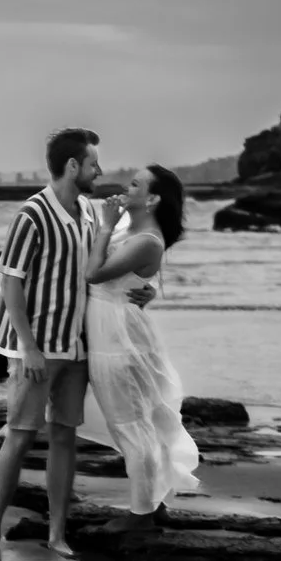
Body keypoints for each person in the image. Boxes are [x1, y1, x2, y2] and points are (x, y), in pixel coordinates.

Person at [0, 128, 105, 554]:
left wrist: (139, 289)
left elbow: (99, 270)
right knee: (18, 437)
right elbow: (10, 284)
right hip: (35, 350)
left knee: (65, 437)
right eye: (93, 163)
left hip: (76, 346)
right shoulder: (31, 215)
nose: (99, 170)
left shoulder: (89, 211)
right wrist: (29, 347)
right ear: (73, 166)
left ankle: (57, 535)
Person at [83, 165, 201, 525]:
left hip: (119, 336)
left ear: (151, 199)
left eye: (135, 184)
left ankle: (141, 514)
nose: (125, 187)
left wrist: (105, 225)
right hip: (110, 328)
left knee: (132, 425)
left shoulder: (146, 239)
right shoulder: (128, 228)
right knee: (135, 424)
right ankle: (154, 503)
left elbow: (94, 274)